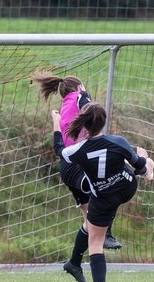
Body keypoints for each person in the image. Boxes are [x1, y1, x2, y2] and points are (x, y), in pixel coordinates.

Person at [52, 103, 154, 282]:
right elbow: (137, 165)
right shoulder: (118, 141)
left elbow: (59, 149)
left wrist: (57, 122)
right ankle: (149, 169)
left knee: (95, 241)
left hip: (103, 196)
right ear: (104, 122)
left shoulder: (75, 151)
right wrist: (142, 160)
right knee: (137, 165)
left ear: (84, 124)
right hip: (126, 187)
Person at [30, 71, 123, 254]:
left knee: (90, 218)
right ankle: (107, 236)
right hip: (78, 164)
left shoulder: (65, 107)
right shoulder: (80, 95)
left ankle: (74, 263)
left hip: (67, 166)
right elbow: (91, 111)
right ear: (80, 87)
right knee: (110, 188)